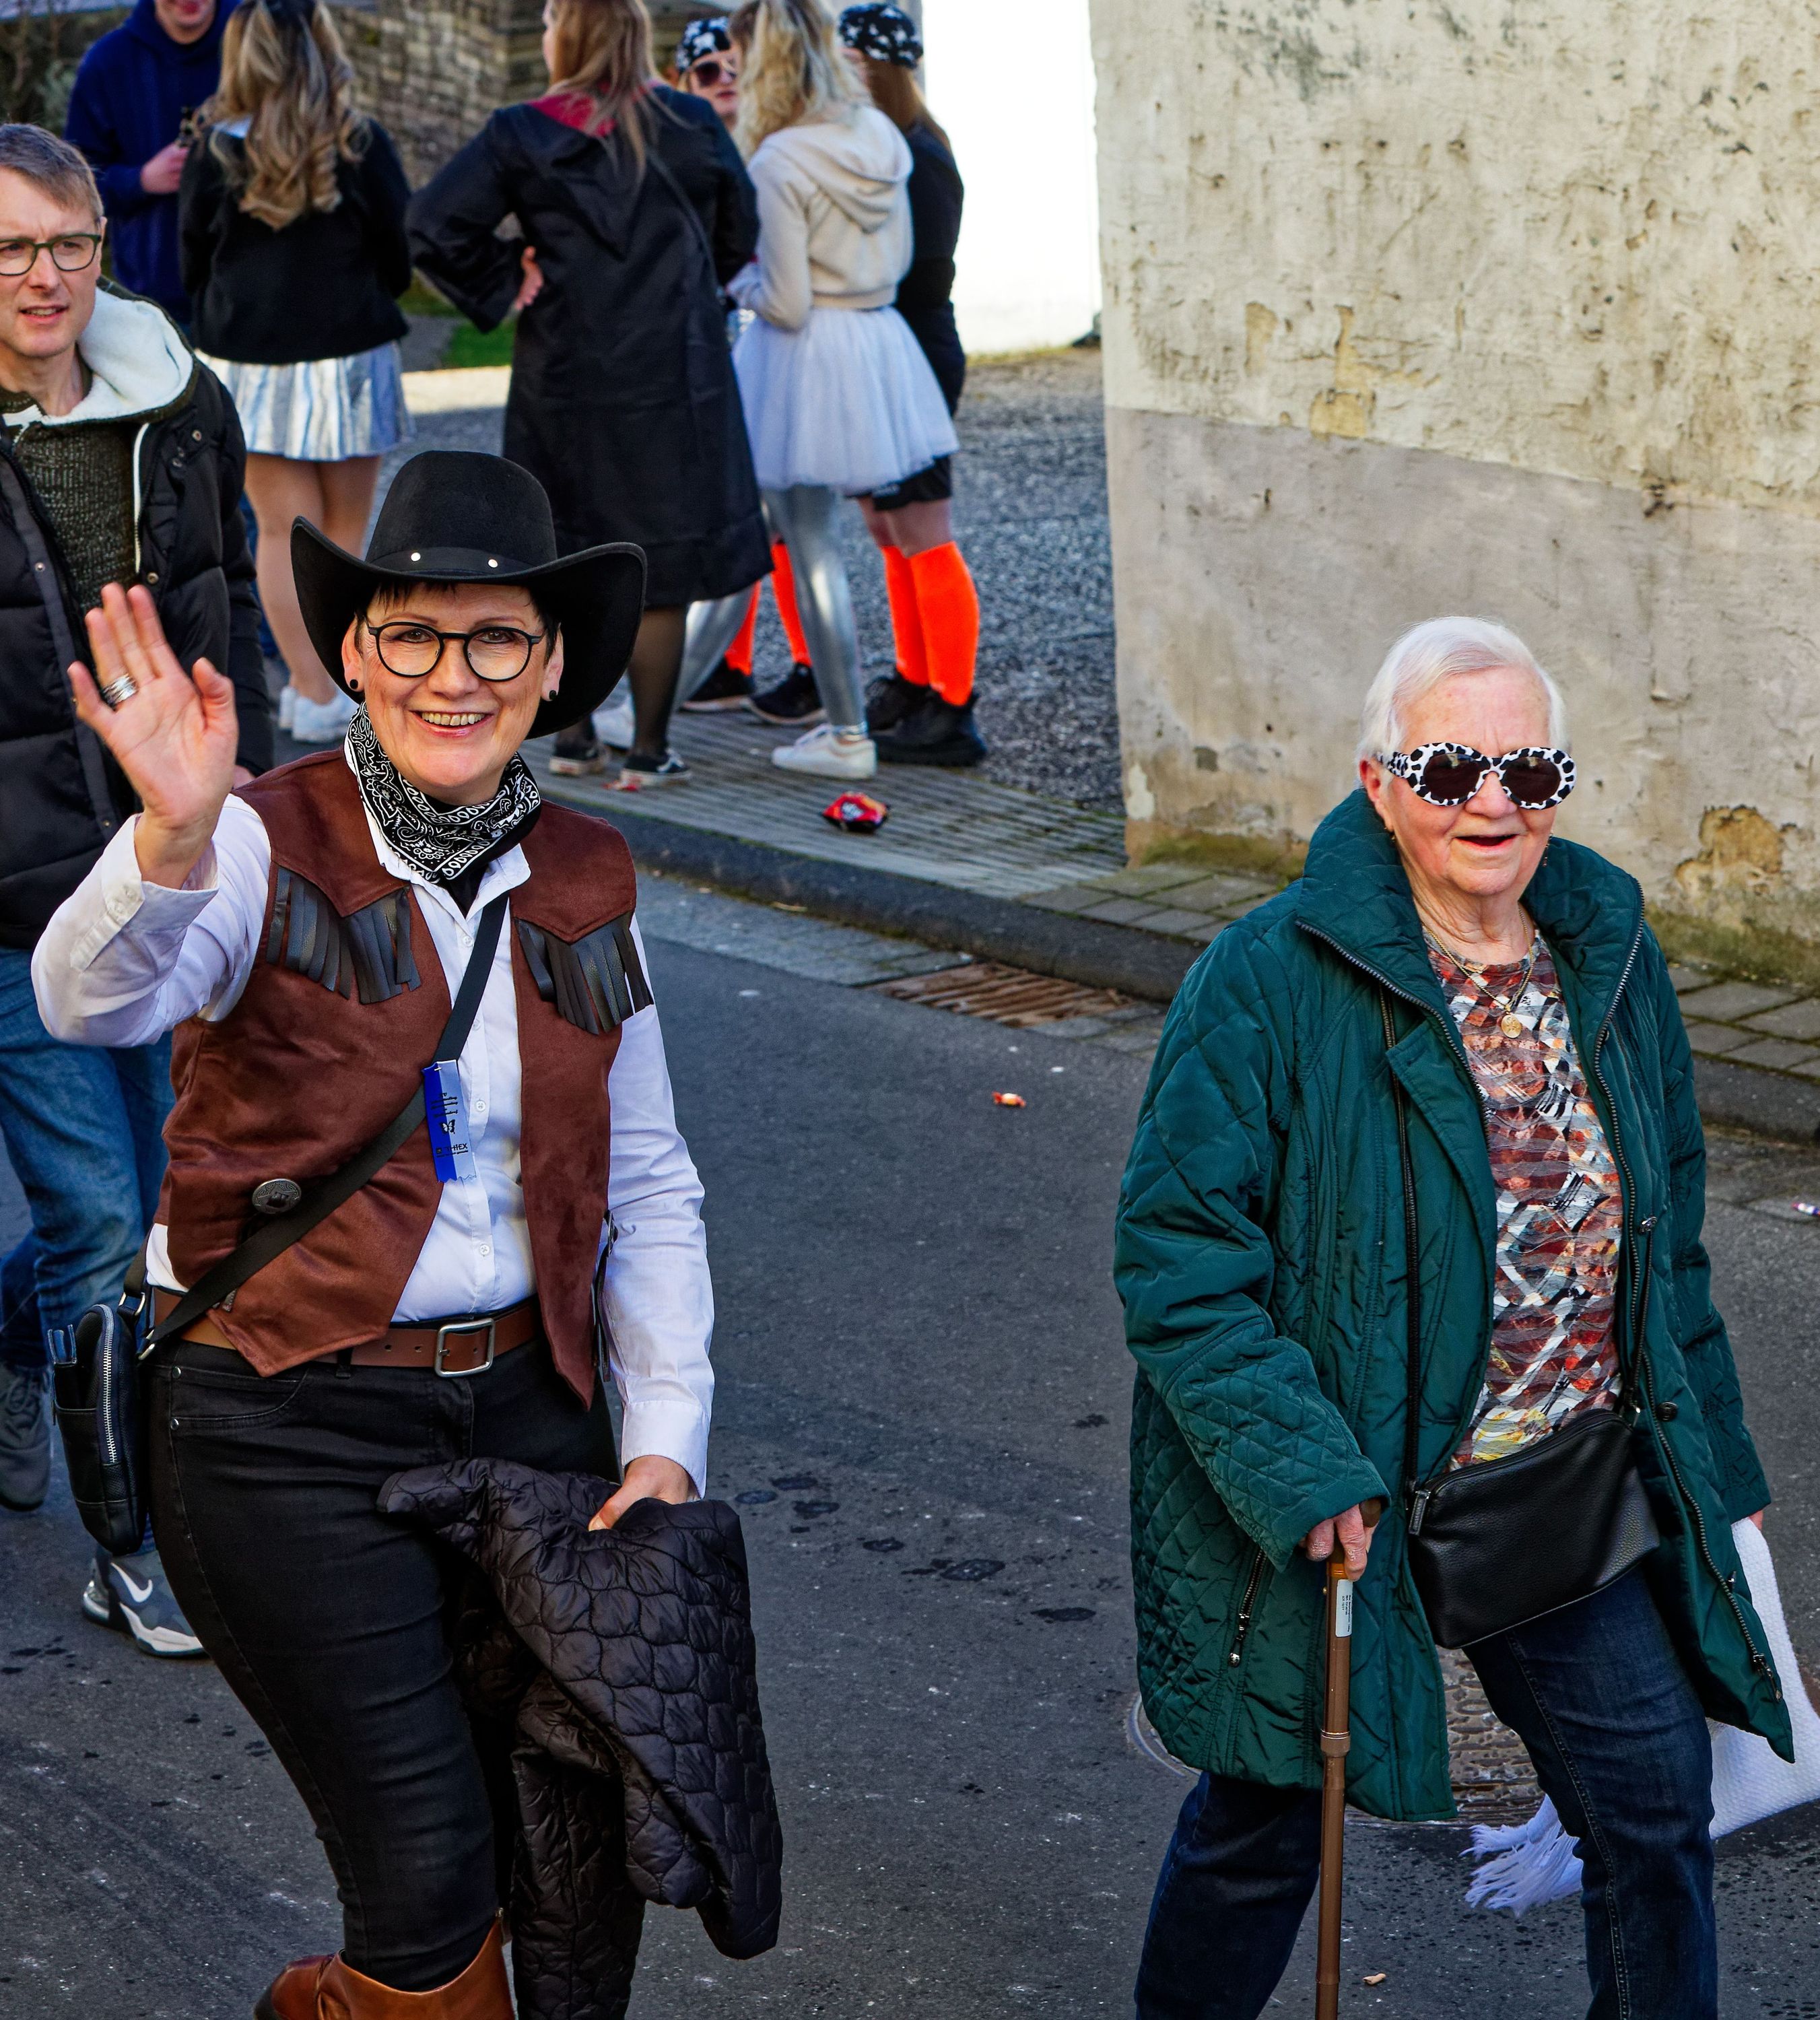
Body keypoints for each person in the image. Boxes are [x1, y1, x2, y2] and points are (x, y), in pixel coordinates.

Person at [33, 447, 714, 2016]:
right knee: (423, 1878)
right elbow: (88, 999)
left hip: (534, 1417)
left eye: (496, 639)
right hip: (282, 1419)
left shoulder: (589, 874)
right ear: (352, 651)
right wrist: (169, 837)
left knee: (559, 1860)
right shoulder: (253, 838)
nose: (451, 675)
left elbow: (650, 1176)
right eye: (412, 632)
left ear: (550, 668)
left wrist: (662, 1433)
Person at [1116, 616, 1790, 2020]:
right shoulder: (1264, 976)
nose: (1490, 800)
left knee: (1655, 1818)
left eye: (1525, 770)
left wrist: (1717, 1479)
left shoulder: (1605, 949)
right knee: (1266, 1825)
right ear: (1377, 780)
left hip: (1557, 1479)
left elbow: (1662, 1254)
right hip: (1350, 1477)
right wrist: (1300, 1468)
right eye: (1447, 765)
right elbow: (1178, 1256)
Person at [0, 123, 269, 1654]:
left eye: (70, 244)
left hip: (167, 872)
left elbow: (223, 586)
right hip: (14, 898)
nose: (45, 277)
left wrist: (262, 800)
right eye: (13, 248)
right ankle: (135, 1549)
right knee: (103, 1217)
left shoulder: (179, 396)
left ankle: (16, 1334)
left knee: (181, 1199)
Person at [409, 0, 769, 793]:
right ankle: (648, 748)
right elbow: (742, 229)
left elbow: (433, 224)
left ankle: (573, 739)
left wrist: (509, 279)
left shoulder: (520, 131)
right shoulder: (688, 120)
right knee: (660, 564)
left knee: (567, 555)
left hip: (566, 376)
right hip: (673, 376)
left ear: (567, 35)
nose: (541, 35)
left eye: (547, 22)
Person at [716, 0, 957, 781]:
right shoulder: (884, 137)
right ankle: (872, 709)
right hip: (878, 340)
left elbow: (783, 300)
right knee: (849, 537)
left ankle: (861, 721)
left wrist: (738, 283)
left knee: (807, 538)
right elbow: (903, 255)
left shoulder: (780, 158)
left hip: (808, 351)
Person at [180, 0, 413, 748]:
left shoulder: (216, 151)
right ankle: (338, 690)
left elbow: (193, 261)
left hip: (251, 359)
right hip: (352, 355)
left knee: (281, 532)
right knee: (344, 535)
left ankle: (310, 694)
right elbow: (398, 249)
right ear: (321, 47)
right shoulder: (361, 142)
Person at [839, 3, 984, 767]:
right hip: (886, 349)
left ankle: (953, 710)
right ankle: (916, 680)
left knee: (924, 528)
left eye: (853, 63)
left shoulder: (918, 153)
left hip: (916, 350)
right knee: (888, 526)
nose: (841, 77)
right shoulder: (882, 147)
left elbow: (923, 271)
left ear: (879, 68)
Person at [669, 11, 821, 722]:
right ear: (682, 83)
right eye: (708, 72)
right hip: (712, 341)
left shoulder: (765, 145)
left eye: (734, 70)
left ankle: (806, 663)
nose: (725, 83)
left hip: (769, 333)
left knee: (783, 517)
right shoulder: (679, 154)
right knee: (727, 509)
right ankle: (726, 663)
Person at [64, 0, 235, 325]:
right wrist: (141, 180)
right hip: (153, 304)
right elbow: (71, 184)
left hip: (250, 295)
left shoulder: (258, 52)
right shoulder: (108, 63)